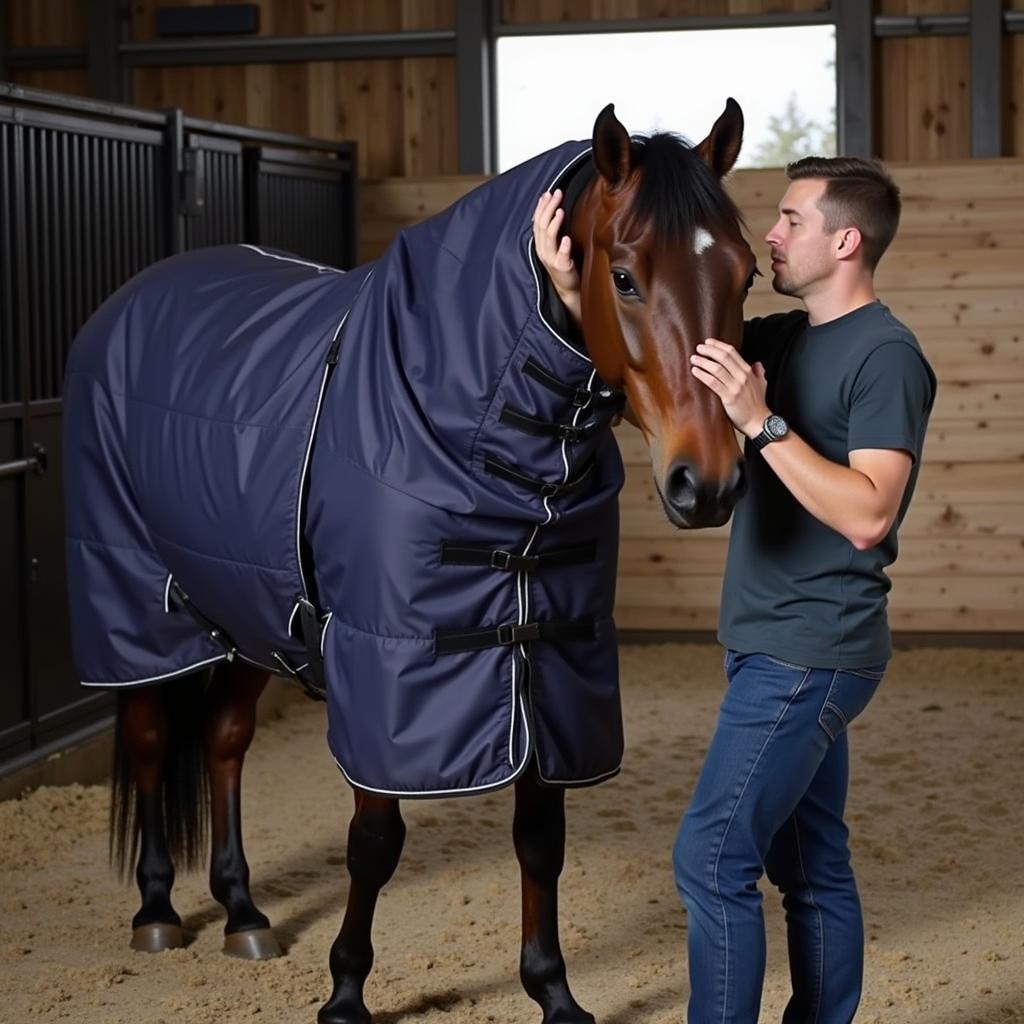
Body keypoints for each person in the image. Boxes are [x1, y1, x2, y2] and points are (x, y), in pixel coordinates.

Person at [533, 155, 936, 1023]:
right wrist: (572, 290)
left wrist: (762, 423)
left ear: (847, 240)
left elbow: (868, 514)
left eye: (793, 219)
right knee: (812, 862)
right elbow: (654, 352)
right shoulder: (785, 342)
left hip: (810, 650)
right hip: (769, 641)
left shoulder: (887, 356)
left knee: (711, 858)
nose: (773, 235)